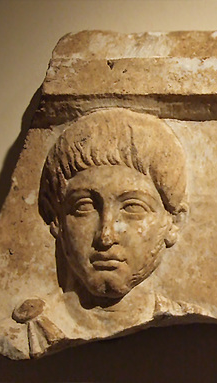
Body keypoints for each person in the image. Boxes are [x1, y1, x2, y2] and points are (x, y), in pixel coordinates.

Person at [39, 108, 188, 303]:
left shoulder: (199, 328)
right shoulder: (24, 332)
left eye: (132, 208)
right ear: (57, 222)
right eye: (84, 207)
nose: (106, 237)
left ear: (173, 222)